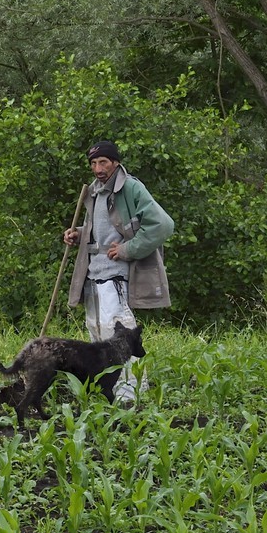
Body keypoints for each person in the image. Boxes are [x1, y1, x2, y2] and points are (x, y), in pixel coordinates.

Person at [62, 139, 173, 402]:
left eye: (103, 162)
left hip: (116, 274)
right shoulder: (94, 191)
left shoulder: (131, 187)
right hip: (93, 271)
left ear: (115, 162)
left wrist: (127, 250)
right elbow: (99, 230)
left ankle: (130, 395)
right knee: (97, 331)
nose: (98, 168)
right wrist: (77, 234)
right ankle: (107, 391)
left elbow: (163, 225)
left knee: (120, 334)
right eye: (93, 163)